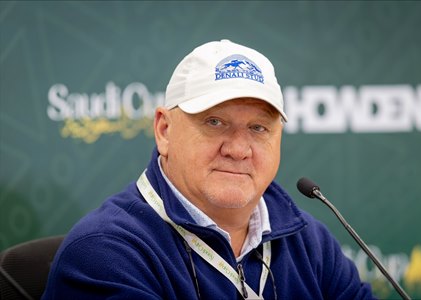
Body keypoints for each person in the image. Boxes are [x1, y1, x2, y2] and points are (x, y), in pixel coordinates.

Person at [43, 39, 375, 299]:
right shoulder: (105, 253)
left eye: (259, 128)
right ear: (164, 130)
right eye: (214, 122)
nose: (238, 149)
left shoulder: (309, 241)